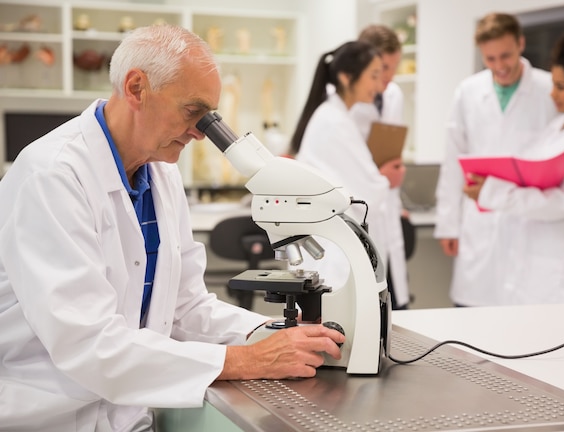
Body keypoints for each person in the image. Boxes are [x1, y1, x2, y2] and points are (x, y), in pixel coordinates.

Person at [0, 24, 344, 432]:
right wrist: (247, 360)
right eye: (193, 112)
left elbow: (185, 309)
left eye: (209, 118)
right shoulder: (51, 176)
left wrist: (269, 333)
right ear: (136, 88)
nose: (201, 133)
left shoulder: (160, 174)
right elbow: (88, 344)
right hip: (49, 419)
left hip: (129, 416)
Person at [464, 23, 564, 304]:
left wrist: (493, 193)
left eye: (561, 87)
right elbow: (529, 174)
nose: (552, 94)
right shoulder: (558, 125)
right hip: (530, 264)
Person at [434, 12, 558, 307]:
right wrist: (448, 225)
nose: (500, 66)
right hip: (481, 217)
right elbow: (453, 158)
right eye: (490, 59)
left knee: (526, 312)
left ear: (521, 44)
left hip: (529, 217)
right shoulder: (468, 91)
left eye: (506, 55)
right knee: (472, 311)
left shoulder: (549, 89)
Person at [290, 41, 407, 308]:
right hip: (334, 253)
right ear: (346, 77)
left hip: (334, 246)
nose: (379, 86)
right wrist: (385, 179)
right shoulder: (334, 122)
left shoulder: (335, 117)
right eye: (373, 75)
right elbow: (366, 193)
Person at [352, 24, 411, 310]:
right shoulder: (340, 101)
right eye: (384, 67)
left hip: (387, 204)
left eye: (394, 67)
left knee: (396, 302)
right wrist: (380, 179)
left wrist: (392, 180)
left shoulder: (394, 95)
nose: (389, 76)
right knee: (366, 304)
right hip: (357, 209)